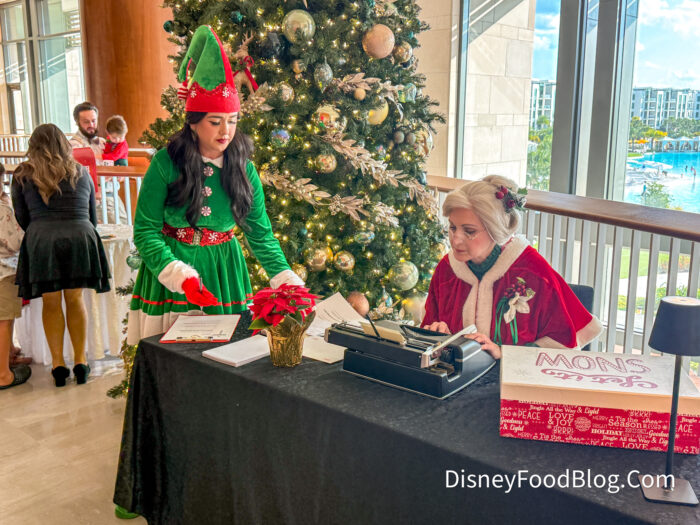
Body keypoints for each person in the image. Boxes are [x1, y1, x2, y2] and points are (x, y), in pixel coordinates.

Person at [126, 25, 303, 345]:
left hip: (224, 272)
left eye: (232, 121)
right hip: (171, 271)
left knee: (222, 358)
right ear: (193, 123)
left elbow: (260, 234)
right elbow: (145, 231)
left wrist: (286, 280)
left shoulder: (244, 170)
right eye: (215, 121)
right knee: (172, 358)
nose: (226, 131)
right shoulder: (166, 163)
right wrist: (178, 275)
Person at [421, 175, 602, 359]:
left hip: (513, 375)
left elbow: (562, 347)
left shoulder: (533, 271)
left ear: (495, 229)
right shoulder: (447, 269)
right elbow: (428, 333)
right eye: (453, 227)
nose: (456, 239)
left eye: (469, 231)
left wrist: (503, 353)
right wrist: (437, 334)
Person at [11, 124, 112, 386]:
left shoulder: (22, 174)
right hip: (80, 235)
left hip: (43, 239)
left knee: (51, 302)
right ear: (64, 144)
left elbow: (22, 217)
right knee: (76, 299)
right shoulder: (80, 171)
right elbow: (91, 216)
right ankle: (80, 361)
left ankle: (58, 365)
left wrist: (41, 230)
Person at [0, 184, 31, 389]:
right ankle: (3, 374)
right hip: (3, 272)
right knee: (4, 321)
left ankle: (8, 354)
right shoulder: (2, 210)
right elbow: (14, 243)